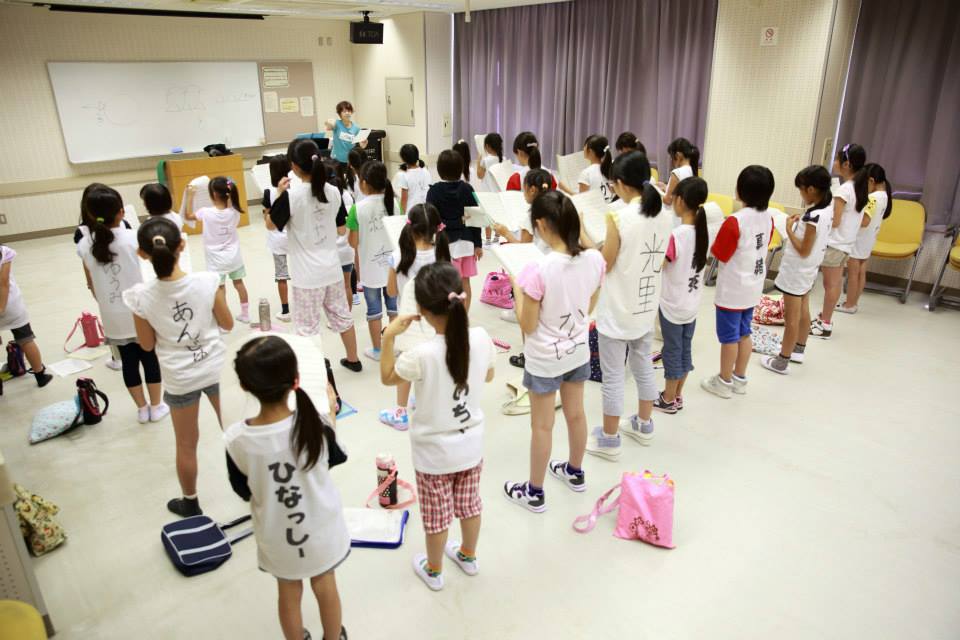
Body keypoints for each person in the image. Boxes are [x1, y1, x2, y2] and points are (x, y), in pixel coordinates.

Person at [380, 262, 495, 591]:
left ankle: (434, 570)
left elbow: (388, 377)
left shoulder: (420, 355)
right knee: (470, 505)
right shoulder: (481, 338)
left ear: (421, 310)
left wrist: (388, 337)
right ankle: (468, 556)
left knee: (437, 516)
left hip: (434, 455)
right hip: (470, 446)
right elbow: (488, 375)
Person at [226, 336, 349, 640]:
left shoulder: (237, 440)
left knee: (288, 591)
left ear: (244, 386)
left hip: (277, 537)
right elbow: (333, 460)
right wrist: (332, 413)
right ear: (296, 380)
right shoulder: (315, 424)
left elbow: (244, 490)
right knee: (325, 583)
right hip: (321, 531)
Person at [123, 217, 233, 516]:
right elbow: (227, 323)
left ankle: (190, 502)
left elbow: (146, 345)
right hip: (216, 369)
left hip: (180, 377)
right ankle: (255, 487)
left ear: (141, 254)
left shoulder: (140, 297)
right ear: (182, 245)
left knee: (186, 444)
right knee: (236, 431)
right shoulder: (208, 282)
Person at [503, 191, 605, 512]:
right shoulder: (594, 260)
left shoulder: (537, 270)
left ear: (542, 225)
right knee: (576, 414)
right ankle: (575, 472)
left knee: (542, 426)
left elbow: (528, 324)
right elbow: (589, 303)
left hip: (545, 358)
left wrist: (517, 290)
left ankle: (534, 492)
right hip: (577, 349)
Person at [581, 152, 670, 461]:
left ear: (619, 183)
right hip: (645, 304)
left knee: (614, 376)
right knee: (643, 364)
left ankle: (609, 439)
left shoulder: (618, 217)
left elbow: (604, 263)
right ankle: (644, 424)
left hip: (618, 308)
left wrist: (583, 235)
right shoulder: (663, 212)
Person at [268, 139, 363, 372]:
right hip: (332, 269)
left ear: (294, 166)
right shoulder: (333, 191)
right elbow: (341, 229)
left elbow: (271, 224)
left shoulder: (291, 196)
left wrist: (279, 194)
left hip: (307, 277)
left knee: (307, 327)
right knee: (342, 317)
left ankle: (316, 371)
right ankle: (353, 359)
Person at [79, 185, 167, 421]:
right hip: (138, 312)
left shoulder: (84, 245)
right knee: (149, 358)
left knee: (128, 363)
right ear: (121, 212)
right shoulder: (133, 237)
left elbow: (91, 280)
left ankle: (142, 409)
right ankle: (156, 406)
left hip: (112, 316)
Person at [700, 165, 775, 399]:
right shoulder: (768, 217)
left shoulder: (735, 221)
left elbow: (720, 254)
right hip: (753, 287)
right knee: (744, 333)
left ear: (740, 190)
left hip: (732, 291)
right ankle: (740, 378)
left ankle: (724, 381)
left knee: (729, 338)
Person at [380, 204, 451, 430]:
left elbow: (391, 291)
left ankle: (400, 412)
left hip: (407, 322)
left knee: (406, 366)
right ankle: (429, 405)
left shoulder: (398, 255)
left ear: (410, 228)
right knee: (432, 364)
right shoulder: (441, 254)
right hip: (436, 322)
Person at [761, 166, 835, 375]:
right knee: (803, 310)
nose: (801, 194)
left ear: (811, 189)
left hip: (797, 271)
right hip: (809, 270)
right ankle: (798, 350)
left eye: (801, 189)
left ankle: (782, 361)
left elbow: (803, 249)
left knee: (791, 318)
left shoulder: (813, 217)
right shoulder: (827, 210)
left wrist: (788, 229)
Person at [653, 176, 709, 414]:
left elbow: (661, 265)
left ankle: (667, 399)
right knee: (684, 350)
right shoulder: (703, 232)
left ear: (681, 201)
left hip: (673, 305)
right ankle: (677, 395)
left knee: (672, 351)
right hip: (691, 305)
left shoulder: (677, 235)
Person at [811, 143, 867, 338]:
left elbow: (835, 221)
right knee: (833, 284)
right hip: (846, 244)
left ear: (847, 164)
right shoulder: (859, 188)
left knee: (831, 285)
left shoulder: (844, 190)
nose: (834, 163)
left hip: (835, 244)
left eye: (836, 159)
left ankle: (825, 323)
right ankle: (825, 319)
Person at [346, 160, 398, 361]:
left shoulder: (357, 208)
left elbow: (353, 242)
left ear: (364, 183)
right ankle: (393, 347)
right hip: (393, 267)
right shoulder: (395, 203)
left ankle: (377, 350)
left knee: (374, 311)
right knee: (394, 309)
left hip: (370, 269)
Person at [183, 176, 250, 323]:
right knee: (239, 284)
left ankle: (223, 319)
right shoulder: (235, 211)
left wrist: (190, 196)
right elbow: (231, 199)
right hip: (234, 257)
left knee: (220, 288)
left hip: (216, 260)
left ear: (213, 194)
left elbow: (188, 216)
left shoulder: (205, 212)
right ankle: (246, 314)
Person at [426, 150, 482, 311]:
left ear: (439, 169)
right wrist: (478, 244)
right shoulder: (467, 189)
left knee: (447, 284)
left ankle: (450, 318)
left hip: (446, 244)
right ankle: (463, 317)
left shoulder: (434, 191)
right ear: (461, 168)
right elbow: (475, 218)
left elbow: (431, 220)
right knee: (465, 282)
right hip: (467, 242)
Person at [837, 163, 892, 313]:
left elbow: (865, 221)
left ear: (871, 180)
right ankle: (853, 303)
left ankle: (849, 305)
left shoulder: (872, 198)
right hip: (869, 239)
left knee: (853, 274)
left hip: (859, 240)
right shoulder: (884, 196)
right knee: (861, 272)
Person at [0, 244, 53, 388]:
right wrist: (2, 307)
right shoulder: (4, 251)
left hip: (7, 305)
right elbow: (4, 282)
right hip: (11, 305)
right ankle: (40, 375)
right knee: (26, 339)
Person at [261, 155, 293, 322]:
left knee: (281, 275)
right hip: (294, 237)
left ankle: (285, 310)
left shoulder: (268, 191)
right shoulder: (294, 189)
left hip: (277, 239)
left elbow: (266, 216)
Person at [140, 182, 192, 274]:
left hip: (159, 260)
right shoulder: (176, 217)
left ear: (148, 204)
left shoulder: (149, 224)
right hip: (177, 256)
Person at [325, 100, 367, 167]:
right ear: (340, 113)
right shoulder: (336, 123)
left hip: (349, 160)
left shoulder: (356, 128)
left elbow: (361, 145)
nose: (347, 113)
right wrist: (328, 122)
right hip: (336, 159)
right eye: (344, 111)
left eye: (349, 111)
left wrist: (364, 144)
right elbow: (328, 126)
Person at [394, 144, 432, 214]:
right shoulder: (426, 171)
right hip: (425, 211)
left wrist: (402, 215)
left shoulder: (403, 175)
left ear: (403, 159)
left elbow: (404, 200)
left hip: (411, 212)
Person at [661, 138, 699, 206]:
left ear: (678, 156)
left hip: (672, 211)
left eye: (671, 157)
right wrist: (666, 187)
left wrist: (658, 193)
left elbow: (668, 200)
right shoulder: (691, 170)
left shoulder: (677, 173)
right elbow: (679, 193)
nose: (671, 160)